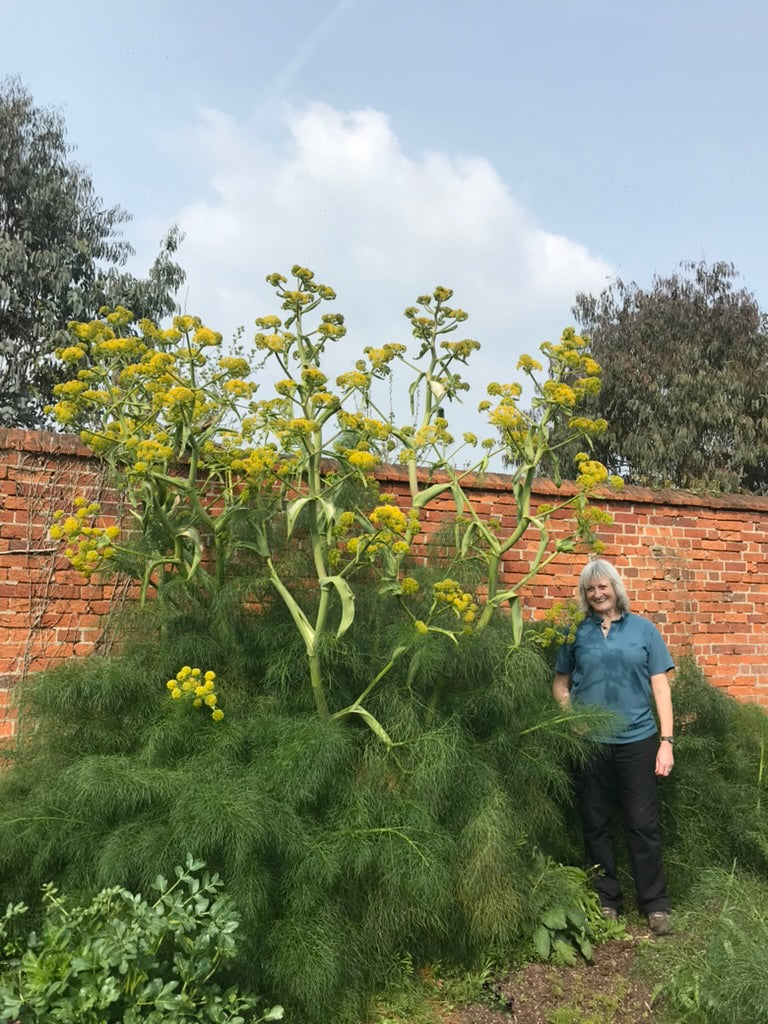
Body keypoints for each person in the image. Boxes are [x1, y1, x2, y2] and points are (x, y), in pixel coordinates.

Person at [552, 559, 675, 936]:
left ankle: (654, 905)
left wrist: (666, 742)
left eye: (603, 586)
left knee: (642, 824)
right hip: (591, 745)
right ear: (584, 595)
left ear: (616, 588)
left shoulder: (644, 630)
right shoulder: (575, 633)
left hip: (638, 740)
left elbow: (660, 687)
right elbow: (560, 686)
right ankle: (607, 901)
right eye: (590, 589)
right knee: (596, 823)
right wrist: (572, 720)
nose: (597, 593)